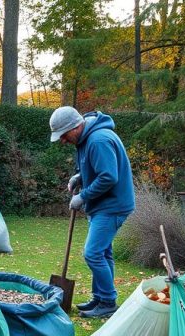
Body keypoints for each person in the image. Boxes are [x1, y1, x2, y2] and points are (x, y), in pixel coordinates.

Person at [49, 106, 135, 318]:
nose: (62, 140)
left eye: (64, 135)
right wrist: (79, 176)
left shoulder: (98, 140)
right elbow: (97, 168)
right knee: (104, 252)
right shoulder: (86, 139)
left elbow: (108, 177)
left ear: (75, 127)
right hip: (104, 205)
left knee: (93, 253)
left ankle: (107, 301)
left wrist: (83, 196)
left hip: (112, 205)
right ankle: (100, 297)